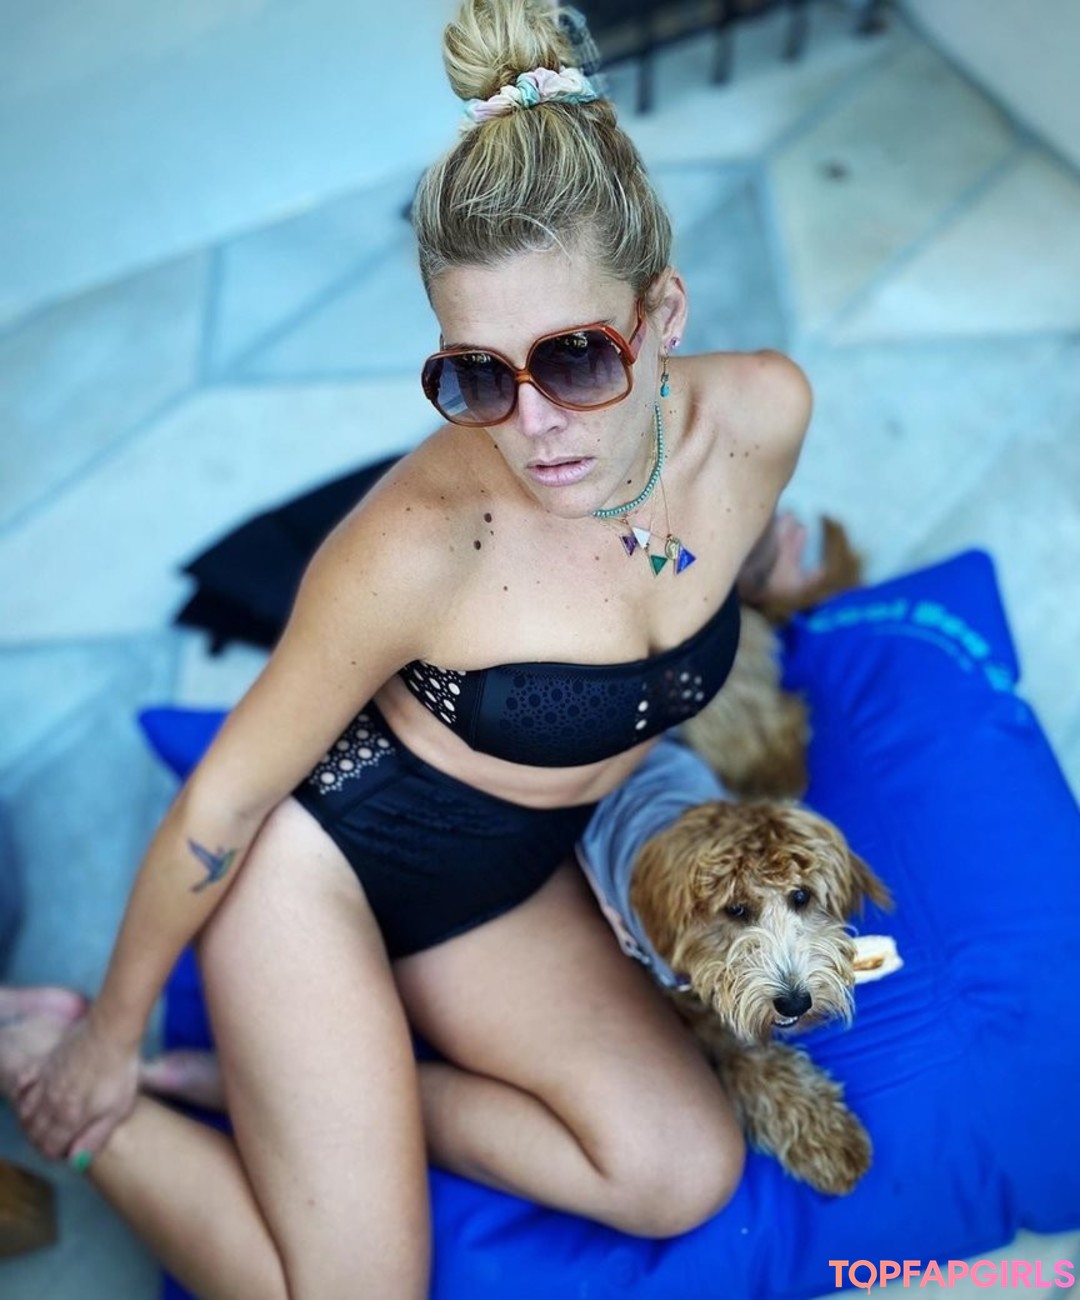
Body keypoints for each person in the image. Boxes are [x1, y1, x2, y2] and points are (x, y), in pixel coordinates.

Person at [0, 3, 819, 1297]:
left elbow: (735, 558)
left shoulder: (764, 415)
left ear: (664, 312)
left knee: (682, 1168)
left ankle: (269, 1089)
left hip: (512, 873)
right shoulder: (418, 543)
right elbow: (224, 802)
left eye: (576, 359)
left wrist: (794, 577)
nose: (532, 426)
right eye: (478, 377)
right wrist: (106, 1031)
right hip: (326, 867)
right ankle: (47, 1063)